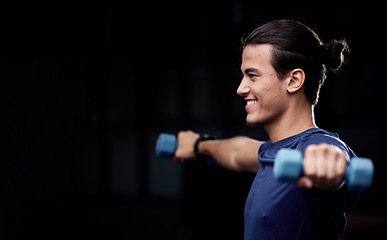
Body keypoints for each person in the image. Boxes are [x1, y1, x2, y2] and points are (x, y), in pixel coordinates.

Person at [173, 20, 358, 239]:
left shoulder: (316, 149)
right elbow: (237, 152)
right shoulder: (272, 153)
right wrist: (198, 145)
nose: (240, 88)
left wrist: (329, 166)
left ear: (293, 80)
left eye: (252, 76)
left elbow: (333, 160)